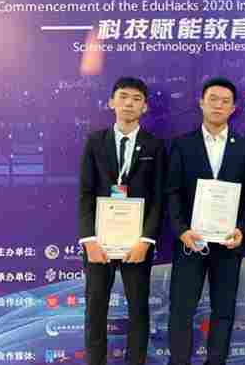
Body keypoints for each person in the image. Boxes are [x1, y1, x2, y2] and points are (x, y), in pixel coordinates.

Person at [166, 77, 245, 365]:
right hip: (190, 242)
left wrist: (241, 229)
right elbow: (172, 192)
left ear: (234, 108)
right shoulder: (182, 144)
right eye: (213, 99)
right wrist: (181, 230)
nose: (219, 105)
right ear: (201, 103)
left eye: (225, 101)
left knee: (224, 311)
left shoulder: (243, 146)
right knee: (181, 310)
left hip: (228, 244)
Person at [78, 77, 166, 365]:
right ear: (111, 102)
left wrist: (146, 241)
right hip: (99, 243)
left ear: (145, 107)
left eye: (136, 99)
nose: (129, 103)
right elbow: (85, 193)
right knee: (95, 310)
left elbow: (158, 198)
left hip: (136, 244)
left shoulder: (155, 145)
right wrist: (89, 240)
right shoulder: (95, 141)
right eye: (124, 97)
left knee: (138, 310)